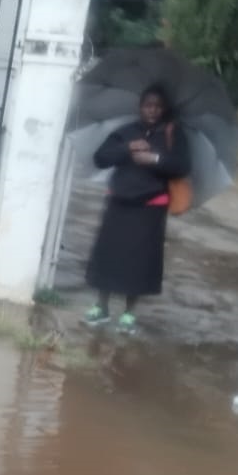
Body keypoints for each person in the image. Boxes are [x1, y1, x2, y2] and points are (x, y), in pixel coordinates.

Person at [84, 83, 191, 334]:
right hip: (119, 202)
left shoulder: (173, 134)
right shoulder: (126, 132)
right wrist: (128, 149)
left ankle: (129, 313)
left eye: (157, 106)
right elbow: (100, 159)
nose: (152, 110)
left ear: (164, 109)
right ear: (140, 107)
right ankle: (101, 307)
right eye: (147, 105)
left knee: (139, 262)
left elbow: (182, 166)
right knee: (108, 256)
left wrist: (154, 159)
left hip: (150, 208)